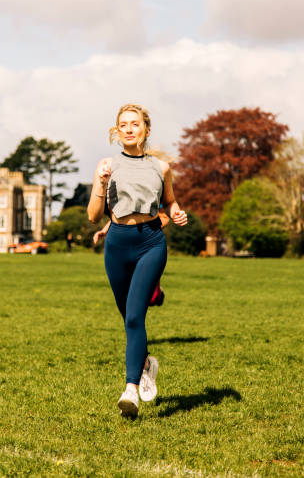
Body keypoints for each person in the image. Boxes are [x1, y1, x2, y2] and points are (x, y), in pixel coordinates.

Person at [87, 104, 187, 417]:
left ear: (145, 129)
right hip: (117, 243)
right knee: (127, 317)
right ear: (117, 131)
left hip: (150, 242)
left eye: (135, 124)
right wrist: (102, 183)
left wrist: (176, 213)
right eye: (123, 125)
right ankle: (146, 364)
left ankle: (130, 390)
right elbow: (92, 216)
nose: (129, 129)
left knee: (134, 318)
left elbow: (170, 202)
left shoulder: (161, 167)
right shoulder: (106, 165)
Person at [93, 209, 169, 307]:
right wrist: (104, 231)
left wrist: (147, 229)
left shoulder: (153, 197)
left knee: (146, 287)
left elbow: (165, 217)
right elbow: (122, 219)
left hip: (147, 245)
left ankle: (157, 295)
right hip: (125, 247)